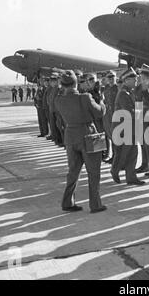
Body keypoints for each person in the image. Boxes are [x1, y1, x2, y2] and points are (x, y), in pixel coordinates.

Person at [54, 70, 107, 214]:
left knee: (73, 172)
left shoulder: (58, 100)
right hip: (88, 135)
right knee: (94, 172)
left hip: (70, 137)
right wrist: (101, 101)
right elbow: (99, 113)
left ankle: (67, 202)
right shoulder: (85, 97)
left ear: (62, 84)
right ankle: (95, 204)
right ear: (76, 83)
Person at [111, 67, 145, 186]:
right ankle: (115, 170)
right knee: (124, 153)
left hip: (129, 127)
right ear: (126, 80)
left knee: (132, 152)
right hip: (124, 128)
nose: (136, 81)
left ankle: (131, 177)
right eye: (134, 79)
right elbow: (129, 112)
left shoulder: (129, 92)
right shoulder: (123, 94)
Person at [102, 71, 119, 164]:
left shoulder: (117, 88)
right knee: (111, 135)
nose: (111, 79)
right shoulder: (107, 88)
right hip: (108, 114)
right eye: (109, 77)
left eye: (112, 77)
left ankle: (117, 157)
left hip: (115, 113)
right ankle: (113, 156)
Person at [47, 73, 63, 146]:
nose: (51, 82)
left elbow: (57, 101)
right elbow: (50, 100)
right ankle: (57, 140)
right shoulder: (53, 89)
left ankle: (60, 141)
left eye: (53, 81)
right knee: (55, 126)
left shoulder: (58, 89)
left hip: (57, 111)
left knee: (59, 127)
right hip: (52, 110)